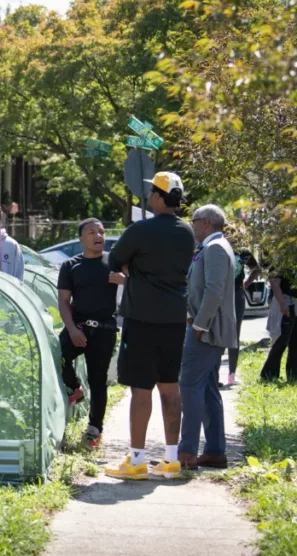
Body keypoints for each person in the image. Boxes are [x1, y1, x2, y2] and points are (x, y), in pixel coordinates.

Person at [104, 172, 196, 481]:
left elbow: (114, 261)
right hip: (173, 320)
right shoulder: (187, 233)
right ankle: (171, 460)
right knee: (170, 388)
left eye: (151, 193)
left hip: (141, 319)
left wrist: (134, 267)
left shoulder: (139, 230)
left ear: (158, 197)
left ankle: (138, 460)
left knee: (140, 390)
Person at [57, 218, 126, 448]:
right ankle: (75, 388)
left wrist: (124, 280)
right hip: (78, 328)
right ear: (81, 238)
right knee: (58, 358)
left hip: (105, 330)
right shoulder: (70, 266)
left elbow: (139, 281)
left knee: (98, 381)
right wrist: (71, 329)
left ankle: (94, 430)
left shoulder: (113, 261)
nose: (98, 236)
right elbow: (64, 302)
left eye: (101, 232)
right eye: (91, 232)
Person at [178, 205, 238, 470]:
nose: (191, 226)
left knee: (189, 386)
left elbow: (214, 291)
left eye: (193, 221)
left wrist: (199, 326)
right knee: (209, 390)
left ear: (204, 223)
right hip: (210, 330)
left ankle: (187, 452)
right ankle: (214, 451)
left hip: (206, 331)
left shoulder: (214, 248)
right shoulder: (216, 246)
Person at [259, 268, 297, 383]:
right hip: (286, 304)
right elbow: (275, 285)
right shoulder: (280, 262)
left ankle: (294, 376)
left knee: (296, 342)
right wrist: (282, 304)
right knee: (281, 340)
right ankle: (269, 374)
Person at [226, 250, 259, 386]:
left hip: (237, 295)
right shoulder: (217, 247)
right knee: (217, 332)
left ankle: (232, 374)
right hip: (220, 294)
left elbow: (256, 269)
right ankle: (213, 375)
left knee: (234, 334)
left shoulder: (242, 253)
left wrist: (246, 283)